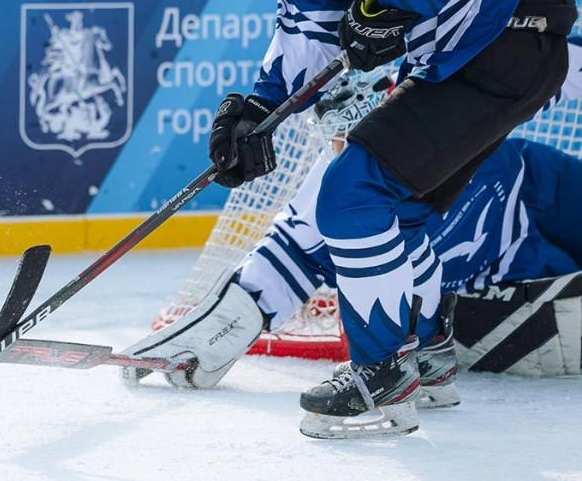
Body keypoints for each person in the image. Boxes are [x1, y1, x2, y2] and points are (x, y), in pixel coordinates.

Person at [196, 0, 575, 438]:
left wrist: (389, 6)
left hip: (506, 39)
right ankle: (427, 360)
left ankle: (381, 379)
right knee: (398, 212)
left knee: (349, 196)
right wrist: (257, 110)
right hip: (466, 64)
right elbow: (306, 31)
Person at [125, 65, 582, 404]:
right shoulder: (339, 192)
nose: (340, 150)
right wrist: (218, 329)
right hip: (513, 270)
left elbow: (547, 70)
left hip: (535, 187)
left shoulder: (445, 117)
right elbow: (283, 257)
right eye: (333, 137)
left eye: (349, 133)